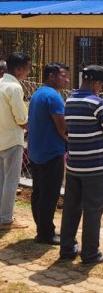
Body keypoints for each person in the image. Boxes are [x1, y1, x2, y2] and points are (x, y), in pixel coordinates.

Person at [59, 65, 103, 264]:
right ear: (96, 83)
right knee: (93, 209)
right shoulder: (98, 103)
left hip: (74, 164)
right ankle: (90, 254)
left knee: (71, 207)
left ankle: (66, 249)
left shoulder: (69, 100)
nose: (101, 88)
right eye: (101, 85)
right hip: (95, 166)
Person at [27, 62, 70, 244]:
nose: (67, 80)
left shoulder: (38, 93)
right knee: (49, 195)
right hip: (50, 152)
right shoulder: (53, 97)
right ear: (52, 76)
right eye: (63, 76)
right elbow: (62, 128)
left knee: (39, 192)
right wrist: (73, 141)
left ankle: (42, 229)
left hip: (36, 151)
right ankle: (46, 234)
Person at [0, 52, 31, 230]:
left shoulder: (1, 83)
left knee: (2, 180)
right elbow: (21, 118)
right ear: (19, 70)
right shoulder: (15, 87)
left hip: (1, 137)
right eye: (27, 69)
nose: (27, 73)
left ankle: (3, 216)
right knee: (11, 181)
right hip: (12, 139)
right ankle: (6, 219)